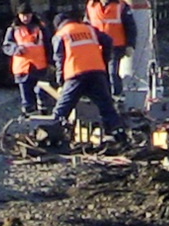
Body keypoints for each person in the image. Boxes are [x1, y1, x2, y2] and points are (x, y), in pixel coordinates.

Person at [49, 11, 126, 140]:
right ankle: (118, 134)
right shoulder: (89, 29)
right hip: (96, 72)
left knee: (62, 109)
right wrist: (103, 59)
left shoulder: (61, 34)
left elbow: (59, 59)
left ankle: (52, 135)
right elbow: (108, 40)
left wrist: (60, 81)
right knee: (106, 106)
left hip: (75, 74)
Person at [85, 0, 135, 98]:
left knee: (112, 72)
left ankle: (118, 95)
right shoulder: (91, 6)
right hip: (97, 46)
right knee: (102, 73)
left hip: (116, 45)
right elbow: (86, 25)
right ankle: (106, 96)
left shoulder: (120, 5)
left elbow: (130, 26)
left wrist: (130, 45)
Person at [2, 3, 49, 115]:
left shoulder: (40, 28)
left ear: (32, 15)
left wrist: (50, 62)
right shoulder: (13, 30)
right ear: (18, 15)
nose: (25, 18)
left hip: (39, 67)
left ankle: (42, 112)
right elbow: (6, 46)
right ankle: (29, 115)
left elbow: (48, 45)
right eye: (23, 15)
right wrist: (15, 49)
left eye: (27, 15)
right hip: (23, 68)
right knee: (27, 98)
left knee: (41, 92)